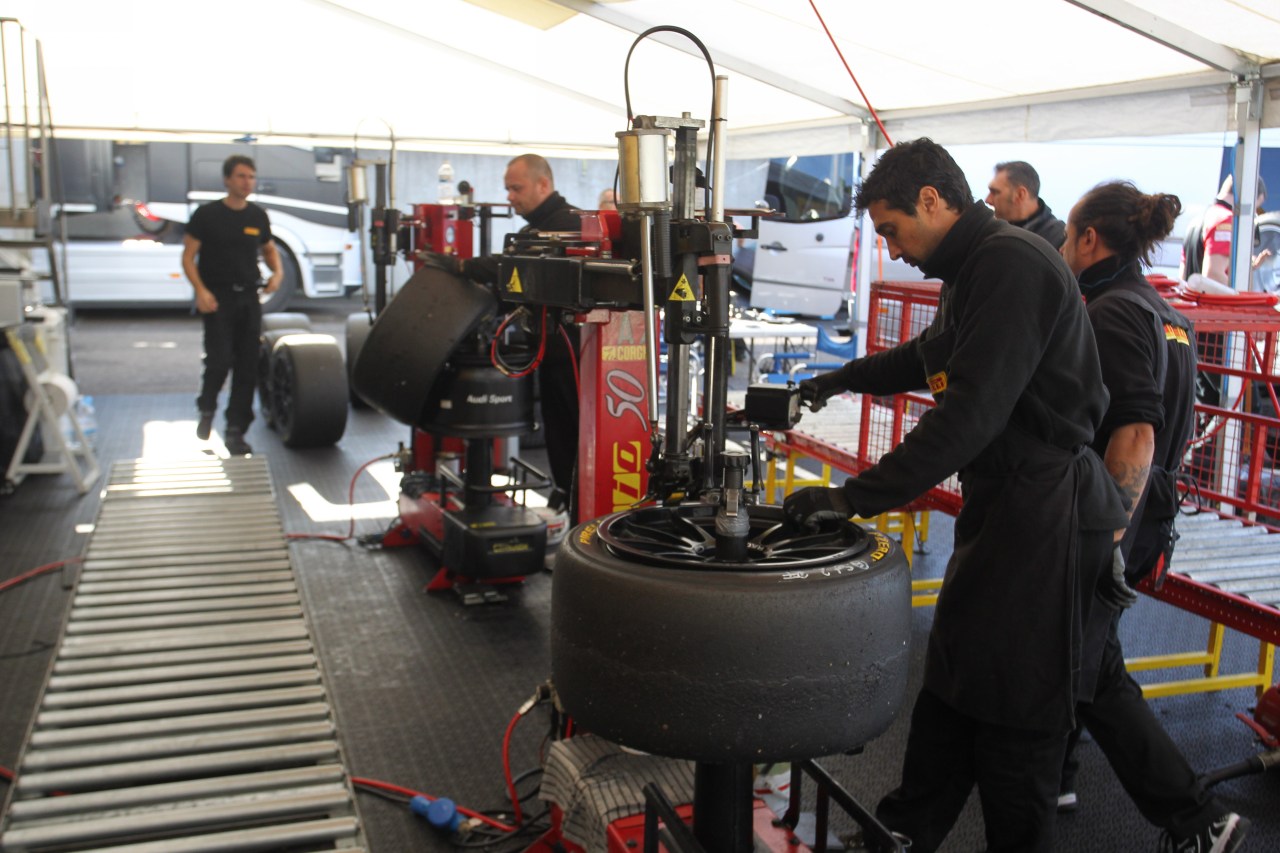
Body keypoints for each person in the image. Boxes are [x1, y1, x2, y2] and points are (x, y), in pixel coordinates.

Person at [783, 137, 1131, 852]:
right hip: (1007, 501)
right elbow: (929, 358)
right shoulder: (973, 266)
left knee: (1016, 718)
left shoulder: (1010, 263)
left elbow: (969, 413)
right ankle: (903, 832)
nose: (893, 249)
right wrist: (840, 379)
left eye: (892, 229)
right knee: (952, 679)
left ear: (933, 201)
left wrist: (854, 499)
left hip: (1049, 512)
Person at [1058, 181, 1248, 852]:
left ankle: (1198, 817)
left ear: (1088, 238)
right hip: (1143, 521)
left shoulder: (1111, 313)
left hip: (1110, 528)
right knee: (1078, 663)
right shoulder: (1169, 315)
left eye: (1068, 234)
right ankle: (1059, 774)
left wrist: (1106, 539)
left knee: (1093, 675)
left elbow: (1135, 435)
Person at [452, 154, 582, 519]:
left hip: (578, 358)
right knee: (557, 436)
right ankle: (566, 501)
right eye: (507, 188)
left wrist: (462, 265)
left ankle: (582, 513)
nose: (509, 196)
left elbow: (507, 267)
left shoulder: (570, 225)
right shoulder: (530, 232)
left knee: (575, 437)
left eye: (516, 188)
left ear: (544, 185)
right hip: (549, 353)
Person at [182, 155, 283, 455]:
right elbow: (188, 258)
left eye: (251, 177)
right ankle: (207, 409)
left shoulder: (257, 216)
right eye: (241, 176)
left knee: (247, 365)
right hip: (218, 298)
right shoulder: (207, 215)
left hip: (248, 298)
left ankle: (236, 429)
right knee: (219, 361)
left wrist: (277, 273)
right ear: (227, 180)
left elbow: (269, 249)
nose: (247, 182)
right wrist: (200, 291)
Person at [1180, 174, 1270, 288]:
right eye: (1255, 207)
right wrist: (1241, 295)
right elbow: (1213, 275)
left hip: (1191, 300)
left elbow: (1183, 274)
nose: (1253, 213)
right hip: (1211, 304)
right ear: (1247, 196)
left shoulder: (1198, 220)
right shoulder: (1225, 221)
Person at [985, 160, 1066, 248]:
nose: (987, 200)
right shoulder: (993, 231)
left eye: (995, 192)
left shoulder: (1059, 238)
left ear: (1020, 195)